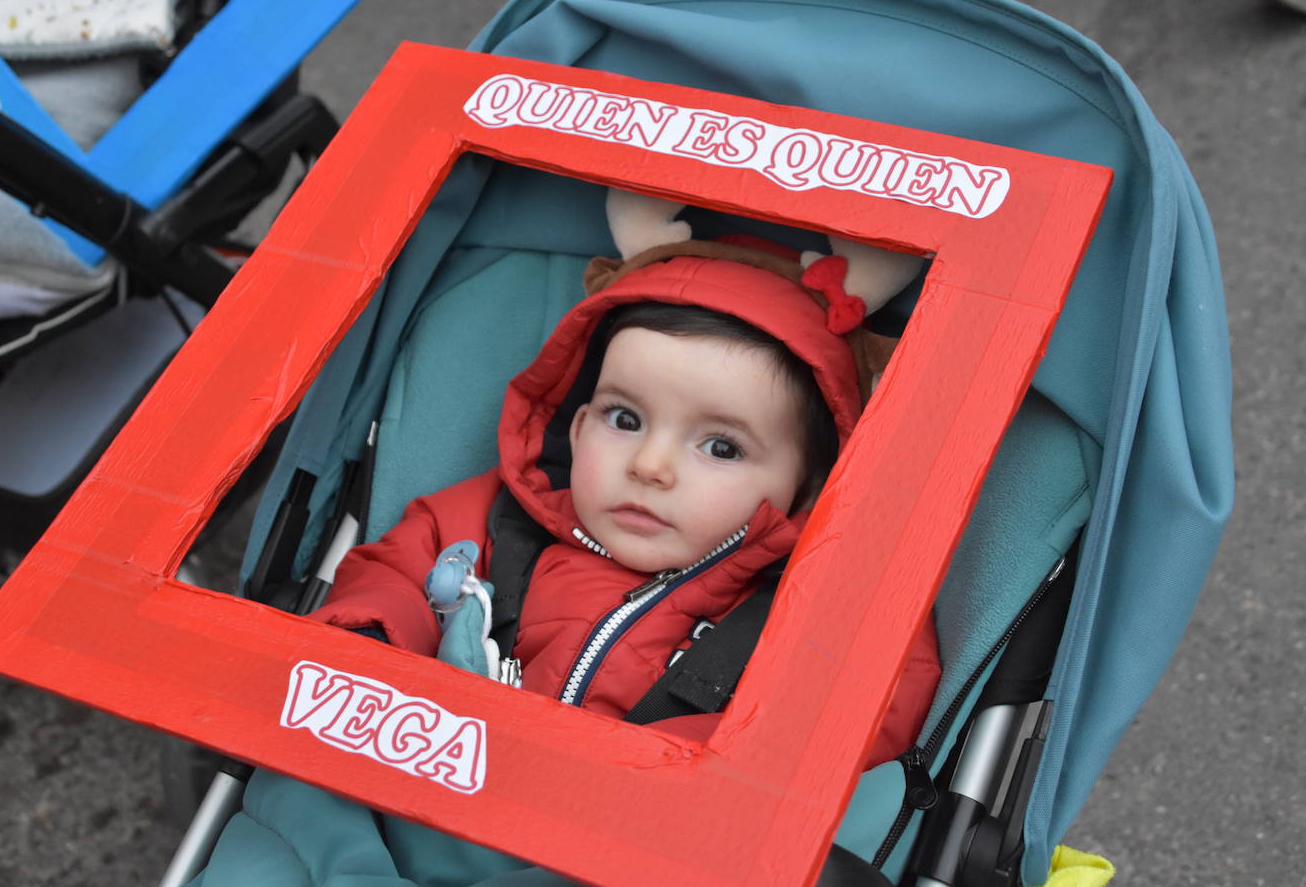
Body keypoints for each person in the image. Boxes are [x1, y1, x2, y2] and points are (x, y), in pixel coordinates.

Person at [311, 233, 940, 762]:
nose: (649, 465)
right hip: (412, 768)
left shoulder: (815, 605)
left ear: (806, 487)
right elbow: (391, 573)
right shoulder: (497, 521)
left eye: (721, 448)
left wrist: (678, 773)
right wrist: (375, 644)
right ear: (578, 425)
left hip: (626, 843)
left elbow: (859, 711)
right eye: (625, 419)